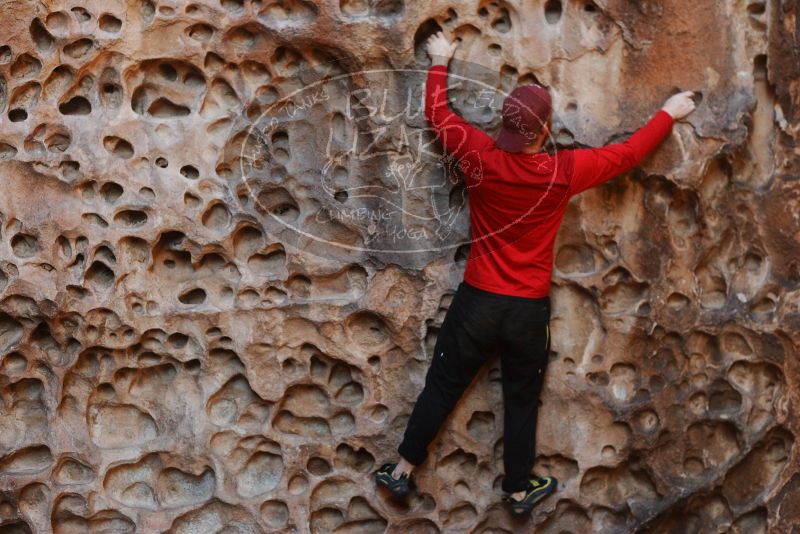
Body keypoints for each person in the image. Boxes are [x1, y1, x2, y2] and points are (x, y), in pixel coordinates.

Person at [374, 32, 697, 516]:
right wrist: (669, 112)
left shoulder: (480, 156)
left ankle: (400, 472)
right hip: (527, 310)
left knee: (443, 385)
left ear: (505, 125)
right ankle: (519, 489)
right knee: (522, 399)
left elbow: (439, 116)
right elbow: (629, 155)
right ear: (544, 132)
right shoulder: (562, 171)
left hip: (477, 302)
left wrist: (441, 59)